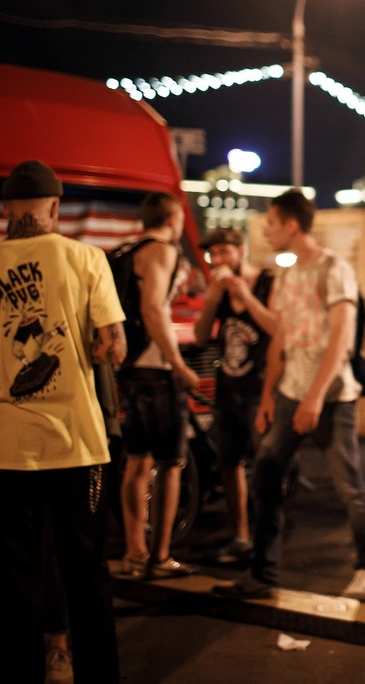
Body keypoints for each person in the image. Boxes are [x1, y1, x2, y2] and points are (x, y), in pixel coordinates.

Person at [0, 160, 122, 683]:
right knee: (87, 577)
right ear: (54, 206)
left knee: (16, 581)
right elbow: (113, 345)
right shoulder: (87, 259)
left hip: (3, 449)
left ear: (5, 209)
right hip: (79, 449)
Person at [213, 189, 365, 601]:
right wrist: (270, 395)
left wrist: (314, 399)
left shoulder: (333, 268)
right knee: (268, 470)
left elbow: (341, 337)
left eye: (270, 223)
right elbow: (280, 338)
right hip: (291, 391)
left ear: (291, 225)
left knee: (348, 485)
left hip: (331, 396)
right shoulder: (287, 274)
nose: (266, 231)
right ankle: (263, 571)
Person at [116, 192, 202, 581]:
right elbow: (153, 307)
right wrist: (178, 363)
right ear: (172, 216)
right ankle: (161, 555)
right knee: (171, 464)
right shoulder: (163, 251)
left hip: (128, 370)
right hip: (156, 372)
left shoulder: (125, 250)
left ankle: (135, 551)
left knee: (136, 461)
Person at [192, 226, 275, 564]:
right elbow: (199, 338)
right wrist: (211, 300)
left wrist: (246, 296)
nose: (218, 260)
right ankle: (240, 537)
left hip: (260, 390)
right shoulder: (218, 292)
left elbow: (275, 326)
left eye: (225, 252)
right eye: (214, 255)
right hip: (228, 389)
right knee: (229, 464)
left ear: (241, 250)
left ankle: (266, 543)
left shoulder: (267, 281)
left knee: (267, 467)